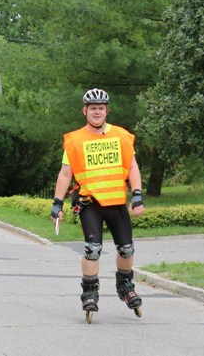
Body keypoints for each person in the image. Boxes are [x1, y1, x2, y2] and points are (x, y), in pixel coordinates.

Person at [50, 88, 145, 316]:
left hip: (116, 202)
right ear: (85, 111)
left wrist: (138, 194)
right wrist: (57, 203)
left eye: (100, 108)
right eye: (92, 108)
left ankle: (124, 283)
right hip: (90, 203)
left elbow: (132, 166)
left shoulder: (121, 136)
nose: (96, 112)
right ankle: (89, 290)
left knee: (127, 248)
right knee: (92, 249)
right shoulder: (75, 140)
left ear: (107, 111)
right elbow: (65, 174)